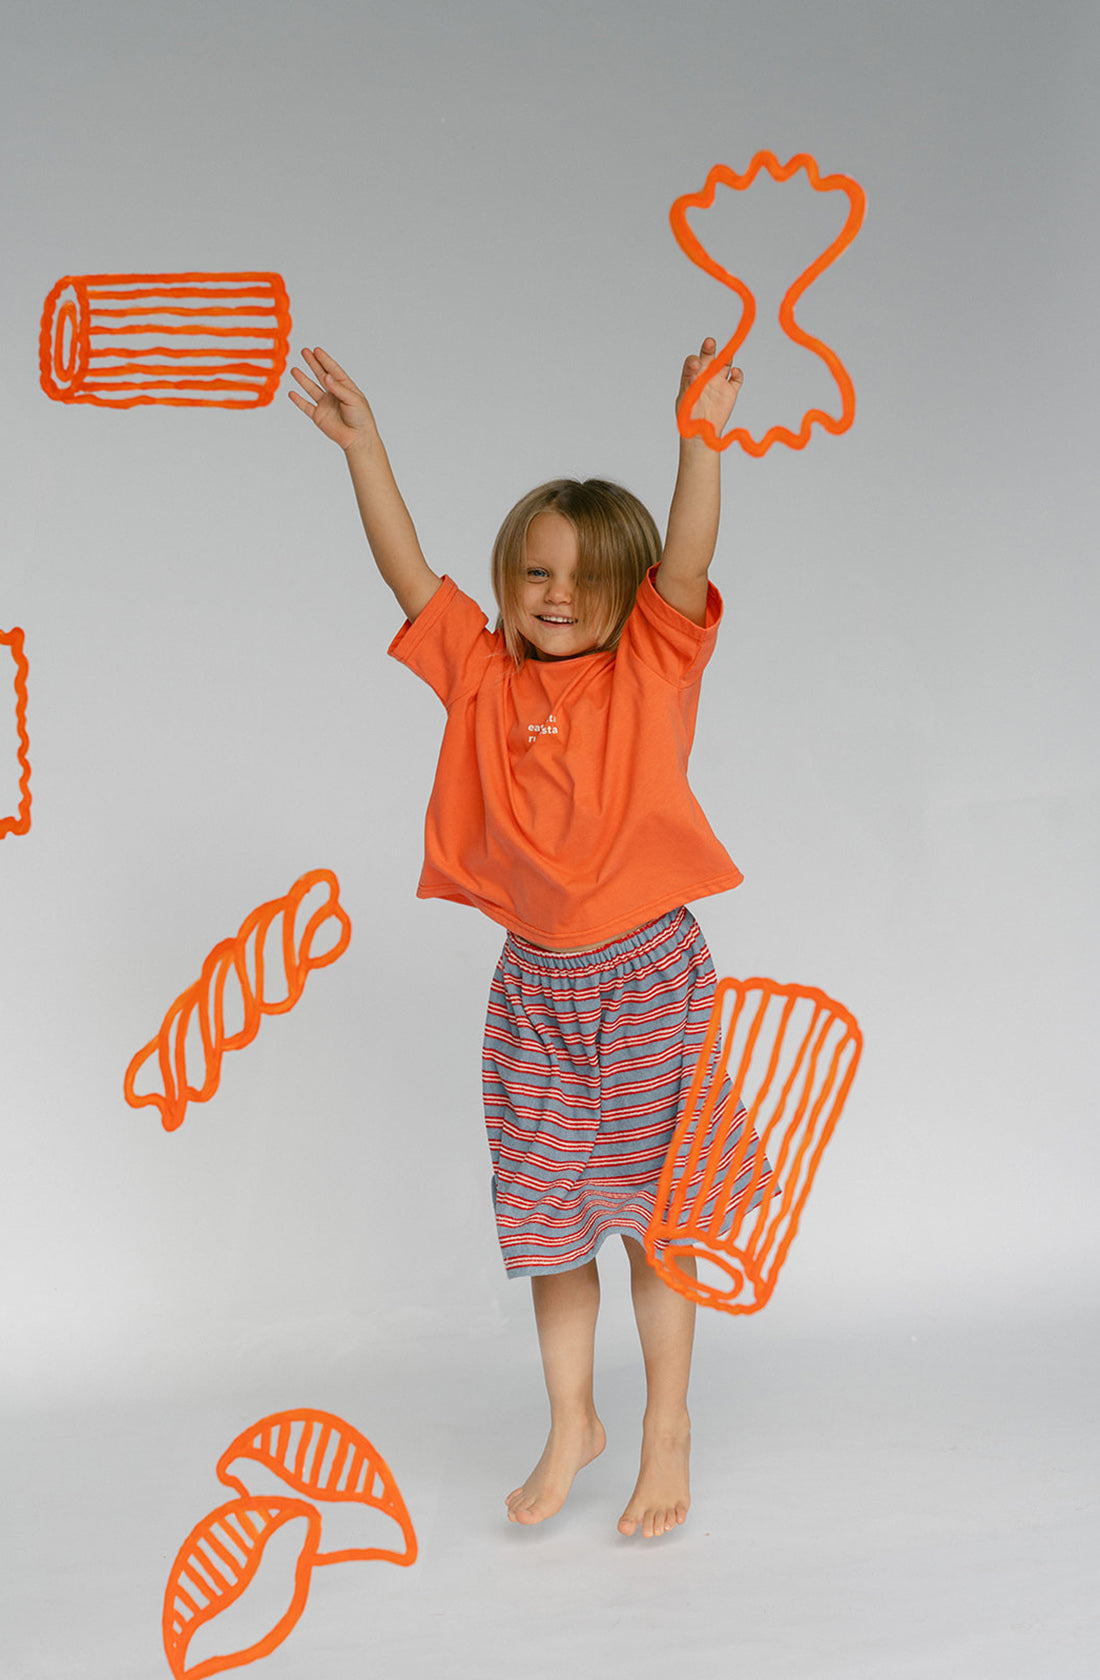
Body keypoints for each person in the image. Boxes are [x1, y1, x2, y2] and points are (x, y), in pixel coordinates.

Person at [290, 339, 768, 1540]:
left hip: (648, 973)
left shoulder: (651, 668)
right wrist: (366, 450)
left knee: (659, 1220)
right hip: (536, 988)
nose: (552, 593)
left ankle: (664, 1427)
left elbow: (691, 554)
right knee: (550, 1216)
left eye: (579, 576)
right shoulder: (483, 678)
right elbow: (409, 578)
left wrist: (695, 438)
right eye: (532, 571)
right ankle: (572, 1420)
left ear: (624, 590)